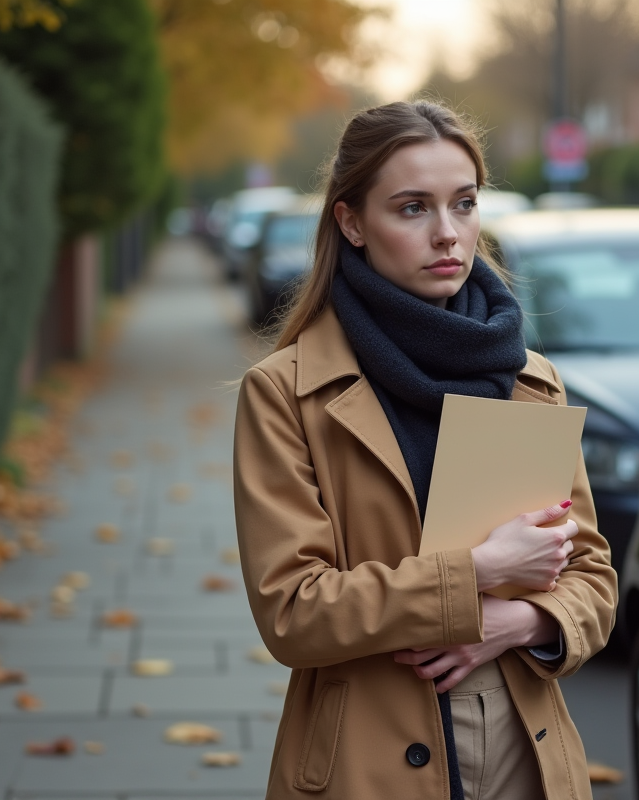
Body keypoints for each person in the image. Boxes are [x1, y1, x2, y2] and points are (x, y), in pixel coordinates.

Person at [232, 100, 617, 800]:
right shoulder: (285, 392)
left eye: (463, 204)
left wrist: (520, 622)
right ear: (351, 222)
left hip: (522, 750)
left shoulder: (530, 379)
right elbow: (293, 610)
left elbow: (593, 578)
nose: (448, 234)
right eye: (412, 209)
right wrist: (472, 575)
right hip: (364, 760)